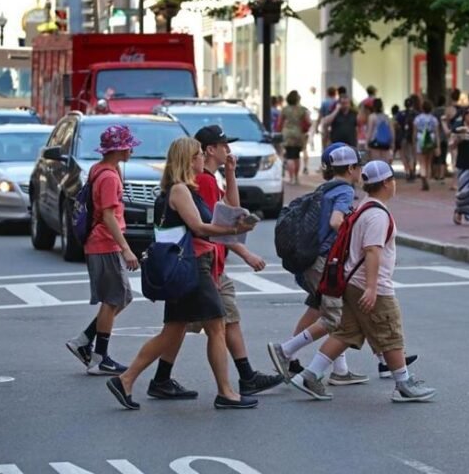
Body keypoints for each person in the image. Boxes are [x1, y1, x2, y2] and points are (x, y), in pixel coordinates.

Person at [105, 137, 258, 410]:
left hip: (186, 266)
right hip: (192, 266)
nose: (202, 158)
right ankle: (226, 392)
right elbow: (199, 227)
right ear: (188, 160)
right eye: (198, 154)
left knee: (173, 331)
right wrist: (233, 231)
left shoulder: (184, 189)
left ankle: (125, 379)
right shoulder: (179, 191)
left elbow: (215, 217)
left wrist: (234, 223)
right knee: (216, 326)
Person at [148, 126, 283, 399]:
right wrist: (242, 249)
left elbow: (230, 211)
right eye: (224, 146)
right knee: (209, 324)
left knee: (190, 324)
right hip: (202, 263)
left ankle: (161, 379)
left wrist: (231, 174)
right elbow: (211, 225)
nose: (228, 150)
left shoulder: (209, 179)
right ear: (208, 151)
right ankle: (234, 385)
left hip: (206, 262)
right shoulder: (203, 183)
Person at [287, 160, 436, 403]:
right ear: (387, 183)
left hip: (350, 281)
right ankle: (403, 383)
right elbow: (372, 251)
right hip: (367, 284)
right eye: (393, 180)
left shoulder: (364, 207)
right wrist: (372, 287)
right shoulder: (378, 214)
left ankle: (310, 374)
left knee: (346, 332)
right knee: (390, 329)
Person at [267, 145, 370, 386]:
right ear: (352, 168)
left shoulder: (325, 188)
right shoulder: (344, 190)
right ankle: (285, 350)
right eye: (359, 166)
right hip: (324, 259)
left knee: (333, 309)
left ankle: (341, 370)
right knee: (335, 316)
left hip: (310, 257)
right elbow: (337, 221)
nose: (360, 170)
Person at [65, 125, 141, 375]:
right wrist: (126, 248)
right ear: (119, 149)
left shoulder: (101, 169)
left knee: (122, 297)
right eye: (128, 146)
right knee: (113, 300)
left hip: (101, 243)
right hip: (104, 242)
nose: (131, 150)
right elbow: (108, 216)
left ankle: (84, 342)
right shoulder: (108, 177)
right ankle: (100, 358)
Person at [276, 90, 311, 185]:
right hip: (298, 133)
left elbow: (279, 123)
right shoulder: (303, 109)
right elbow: (308, 122)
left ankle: (291, 178)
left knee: (289, 156)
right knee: (296, 156)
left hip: (287, 133)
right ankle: (296, 177)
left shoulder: (285, 109)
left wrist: (279, 131)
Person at [414, 98, 440, 191]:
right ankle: (427, 179)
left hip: (420, 137)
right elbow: (437, 133)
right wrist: (438, 146)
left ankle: (423, 177)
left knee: (422, 162)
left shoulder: (417, 119)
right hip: (430, 138)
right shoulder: (434, 119)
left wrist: (414, 143)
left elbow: (414, 131)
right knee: (428, 162)